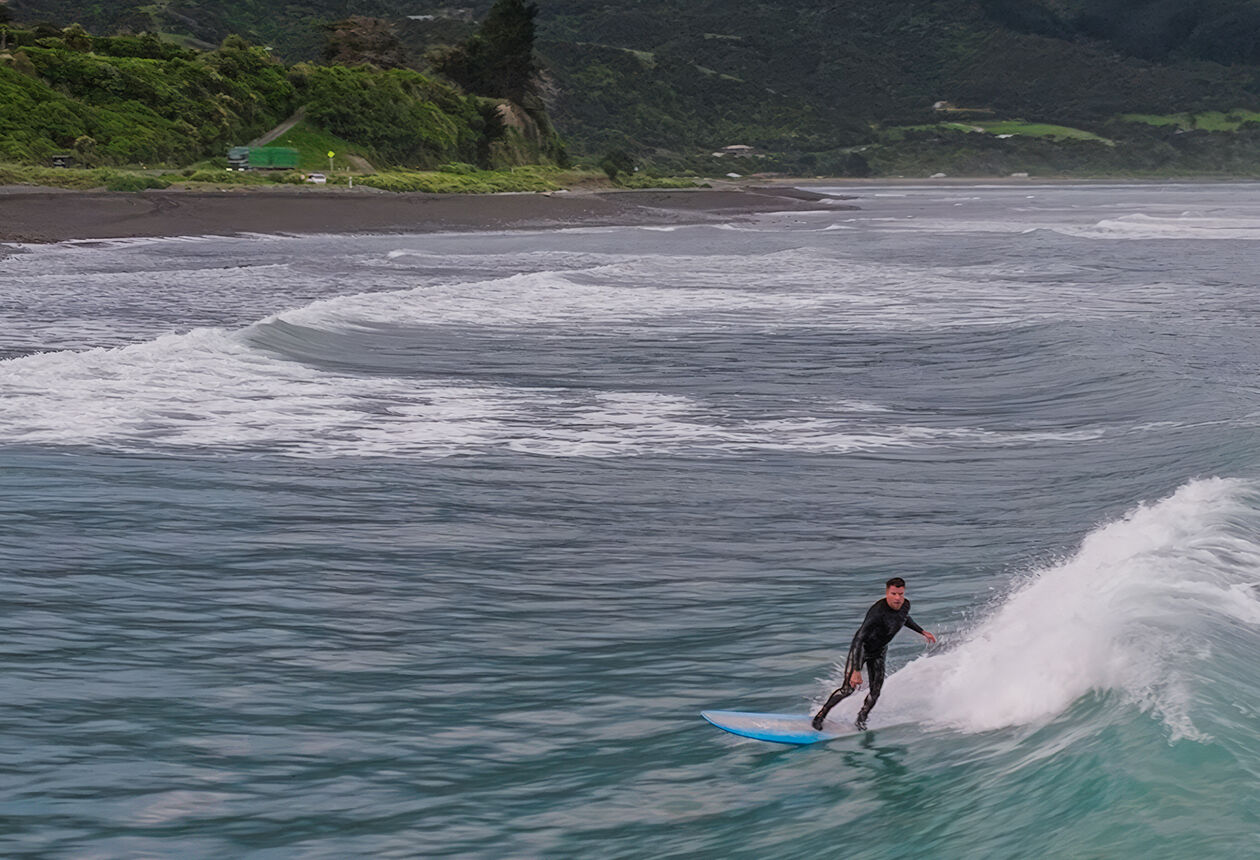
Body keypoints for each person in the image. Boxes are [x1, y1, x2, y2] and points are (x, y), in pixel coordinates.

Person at [812, 577, 936, 731]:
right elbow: (859, 639)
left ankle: (861, 719)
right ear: (887, 593)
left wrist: (922, 631)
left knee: (875, 692)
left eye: (900, 594)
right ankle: (820, 716)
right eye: (893, 594)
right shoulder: (877, 612)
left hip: (879, 652)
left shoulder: (905, 605)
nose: (897, 598)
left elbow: (904, 618)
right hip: (862, 650)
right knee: (847, 689)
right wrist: (856, 670)